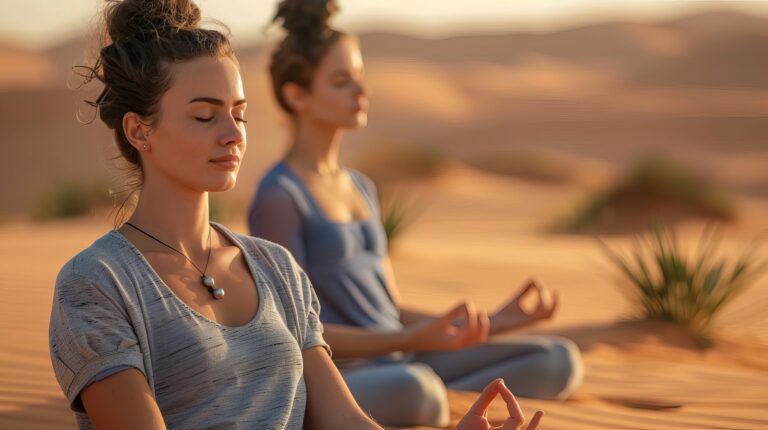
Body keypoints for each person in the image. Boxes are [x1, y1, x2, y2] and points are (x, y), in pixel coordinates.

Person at [48, 1, 543, 429]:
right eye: (205, 115)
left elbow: (345, 421)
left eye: (239, 114)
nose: (234, 134)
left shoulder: (275, 268)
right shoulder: (97, 283)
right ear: (139, 131)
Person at [248, 0, 583, 427]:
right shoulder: (280, 196)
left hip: (406, 357)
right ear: (298, 95)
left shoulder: (361, 188)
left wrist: (496, 321)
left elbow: (389, 307)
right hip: (347, 374)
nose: (360, 92)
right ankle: (443, 402)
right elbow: (292, 330)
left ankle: (454, 401)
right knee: (415, 386)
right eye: (340, 81)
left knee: (556, 358)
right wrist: (408, 341)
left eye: (361, 79)